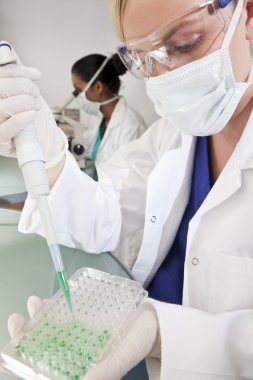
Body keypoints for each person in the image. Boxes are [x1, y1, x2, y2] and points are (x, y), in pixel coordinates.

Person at [1, 0, 253, 379]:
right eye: (145, 60)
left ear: (247, 15)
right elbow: (105, 213)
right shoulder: (172, 134)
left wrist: (161, 332)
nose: (168, 75)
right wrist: (49, 155)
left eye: (185, 44)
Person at [71, 53, 147, 165]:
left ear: (98, 87)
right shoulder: (99, 118)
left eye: (78, 90)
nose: (77, 95)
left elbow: (126, 177)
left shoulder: (131, 126)